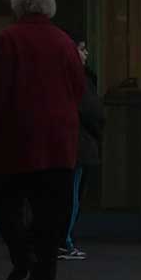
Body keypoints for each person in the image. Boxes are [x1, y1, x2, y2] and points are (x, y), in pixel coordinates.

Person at [0, 0, 86, 280]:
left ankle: (22, 255)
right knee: (52, 207)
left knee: (4, 202)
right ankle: (45, 268)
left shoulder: (7, 40)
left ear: (17, 5)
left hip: (16, 138)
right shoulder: (64, 42)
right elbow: (79, 89)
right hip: (58, 139)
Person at [61, 40, 105, 261]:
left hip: (59, 142)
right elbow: (92, 111)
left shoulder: (54, 75)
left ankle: (52, 239)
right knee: (72, 193)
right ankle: (63, 241)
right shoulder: (81, 78)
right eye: (81, 48)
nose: (86, 53)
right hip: (78, 143)